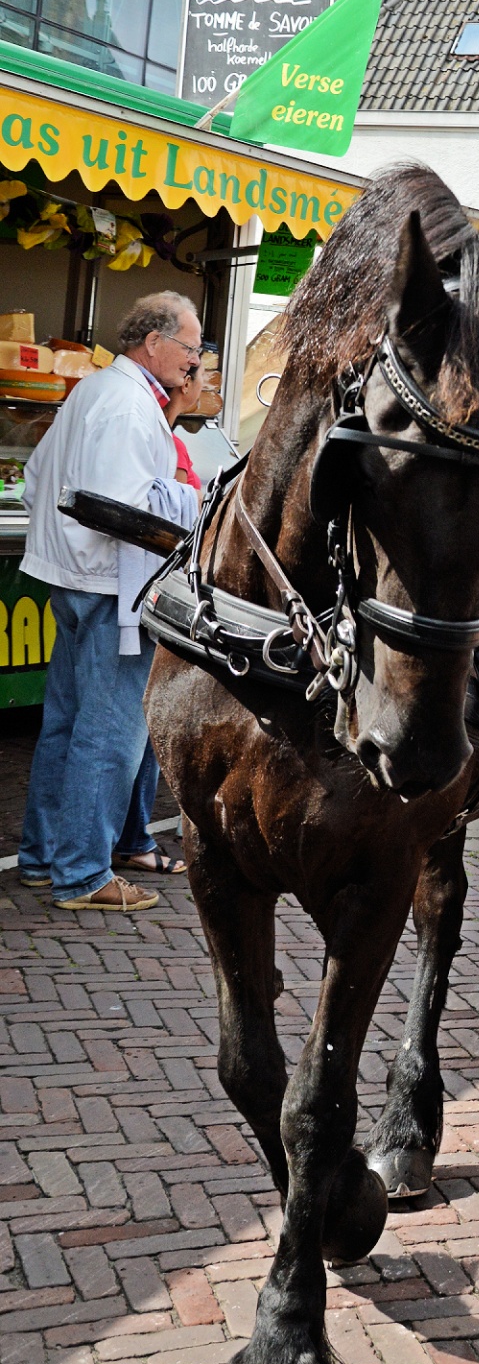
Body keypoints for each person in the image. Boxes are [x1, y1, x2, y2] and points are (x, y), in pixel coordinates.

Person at [18, 292, 202, 912]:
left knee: (67, 726)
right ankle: (84, 875)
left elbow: (36, 479)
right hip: (107, 587)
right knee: (110, 734)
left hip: (74, 580)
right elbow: (125, 510)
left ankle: (46, 860)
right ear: (153, 342)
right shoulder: (127, 405)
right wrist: (188, 504)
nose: (195, 359)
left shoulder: (97, 391)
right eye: (190, 346)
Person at [113, 359, 209, 883]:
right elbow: (171, 506)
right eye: (200, 374)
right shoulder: (164, 439)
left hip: (157, 589)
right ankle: (128, 840)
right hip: (156, 593)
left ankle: (132, 837)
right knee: (134, 731)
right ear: (184, 387)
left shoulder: (170, 436)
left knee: (140, 732)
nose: (206, 385)